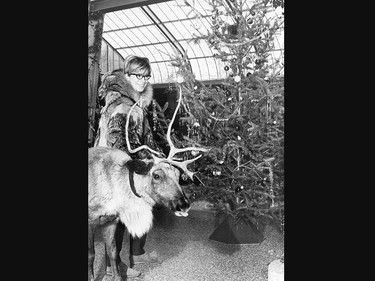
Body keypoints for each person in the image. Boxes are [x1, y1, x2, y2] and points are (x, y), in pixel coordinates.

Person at [94, 55, 166, 278]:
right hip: (114, 172)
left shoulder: (133, 102)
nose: (143, 80)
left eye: (146, 76)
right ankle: (112, 265)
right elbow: (119, 148)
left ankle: (136, 253)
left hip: (121, 168)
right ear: (127, 75)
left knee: (132, 211)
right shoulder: (123, 107)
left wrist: (158, 158)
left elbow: (144, 139)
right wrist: (147, 164)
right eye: (138, 75)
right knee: (116, 217)